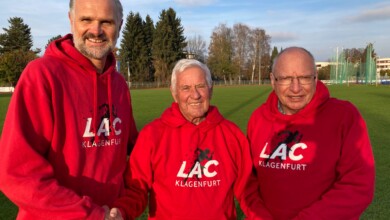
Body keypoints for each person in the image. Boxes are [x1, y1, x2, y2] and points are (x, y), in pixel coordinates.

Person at [0, 0, 138, 219]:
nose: (96, 30)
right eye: (86, 20)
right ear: (71, 20)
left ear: (120, 26)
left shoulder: (119, 84)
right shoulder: (42, 76)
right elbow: (18, 173)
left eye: (107, 22)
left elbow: (136, 150)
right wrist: (90, 214)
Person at [110, 59, 271, 219]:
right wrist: (122, 212)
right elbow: (136, 189)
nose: (195, 95)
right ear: (174, 93)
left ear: (210, 89)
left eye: (200, 86)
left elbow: (248, 191)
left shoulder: (232, 135)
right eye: (185, 88)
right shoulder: (152, 136)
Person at [247, 47, 375, 219]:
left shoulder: (344, 116)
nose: (295, 88)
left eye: (304, 78)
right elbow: (249, 179)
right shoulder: (258, 118)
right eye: (285, 78)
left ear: (315, 78)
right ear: (273, 80)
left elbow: (358, 185)